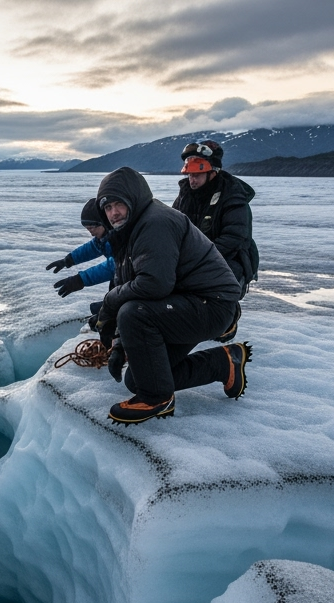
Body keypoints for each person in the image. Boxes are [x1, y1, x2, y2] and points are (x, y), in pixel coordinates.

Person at [94, 166, 251, 424]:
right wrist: (121, 344)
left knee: (133, 314)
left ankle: (157, 399)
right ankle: (223, 362)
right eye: (108, 208)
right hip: (188, 303)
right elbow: (132, 285)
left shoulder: (155, 222)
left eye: (118, 204)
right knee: (139, 378)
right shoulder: (131, 230)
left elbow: (155, 285)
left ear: (134, 199)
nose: (113, 213)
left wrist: (110, 304)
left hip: (212, 304)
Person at [171, 140, 258, 342]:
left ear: (213, 172)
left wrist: (200, 258)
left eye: (197, 175)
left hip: (229, 258)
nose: (192, 180)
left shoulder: (233, 195)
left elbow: (235, 238)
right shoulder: (185, 194)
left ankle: (228, 316)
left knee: (219, 286)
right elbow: (173, 225)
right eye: (190, 174)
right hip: (194, 256)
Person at [46, 198, 115, 322]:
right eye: (88, 229)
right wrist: (68, 260)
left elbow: (115, 266)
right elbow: (92, 248)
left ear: (103, 222)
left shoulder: (118, 239)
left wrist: (80, 279)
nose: (91, 233)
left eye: (92, 228)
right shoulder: (105, 238)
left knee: (118, 287)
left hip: (137, 281)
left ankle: (113, 313)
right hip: (121, 279)